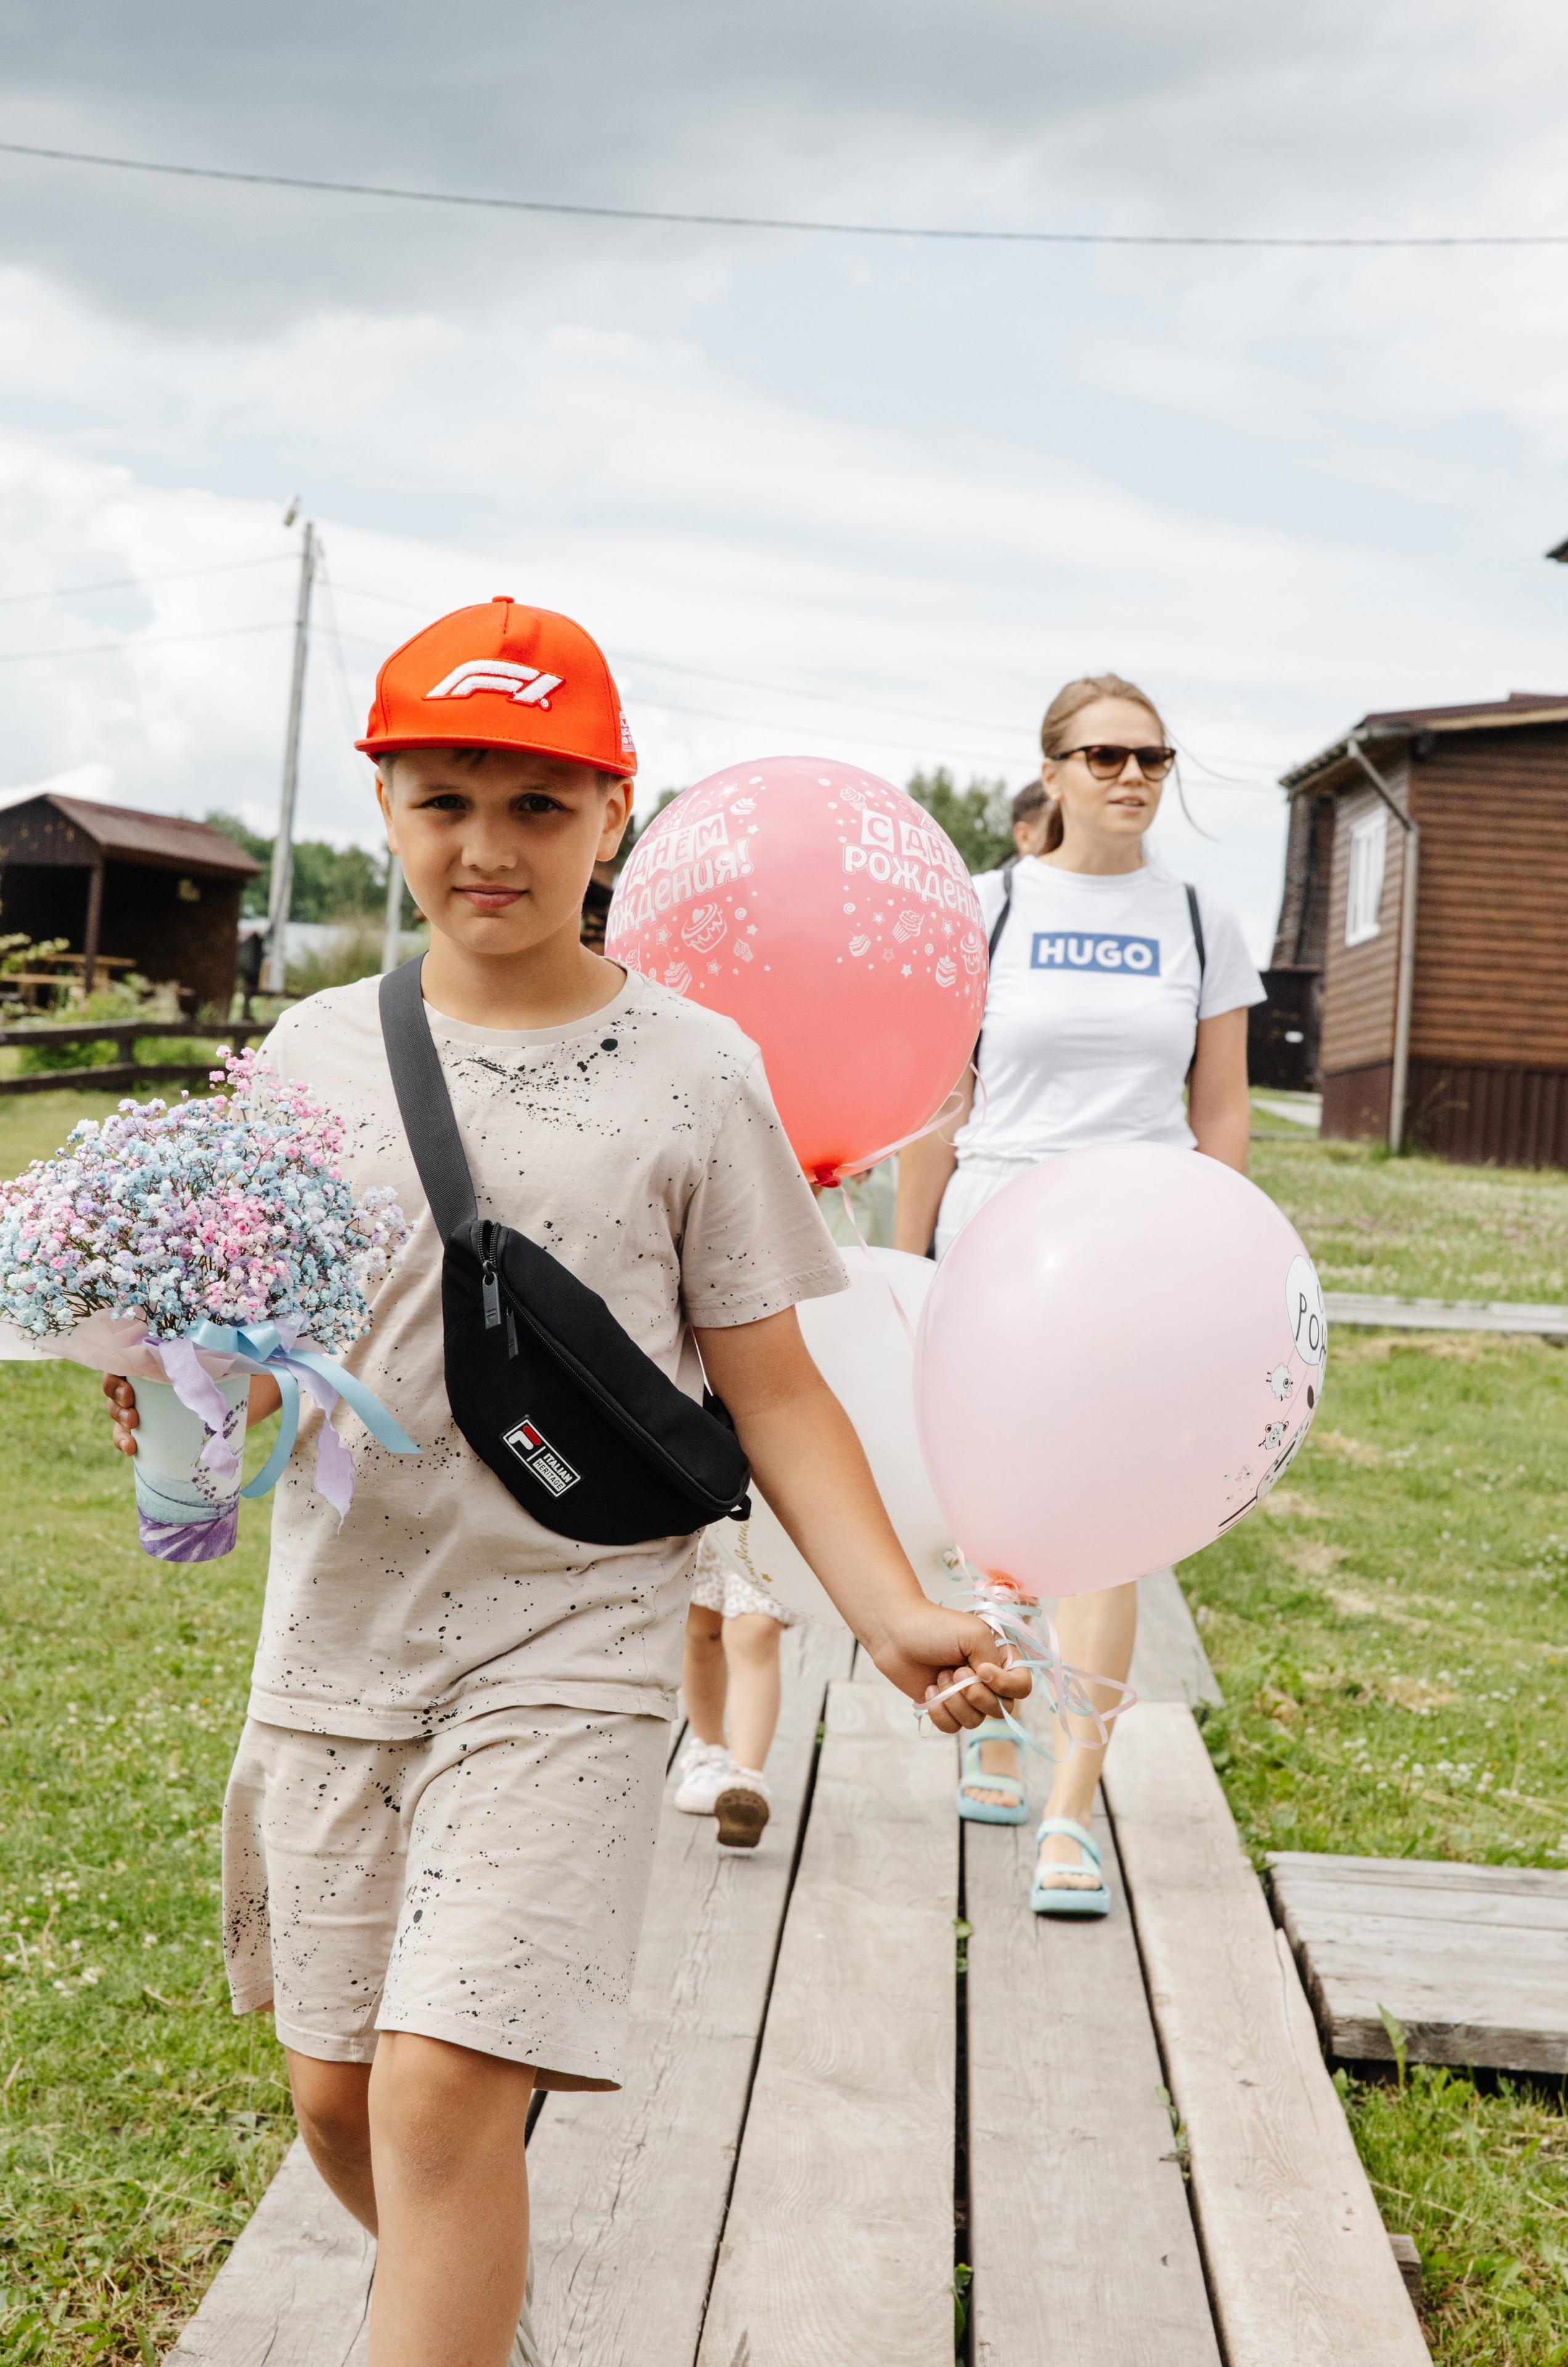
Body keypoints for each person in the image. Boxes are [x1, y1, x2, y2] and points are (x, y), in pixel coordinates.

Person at [103, 597, 1026, 2367]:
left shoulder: (695, 1073)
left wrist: (892, 1608)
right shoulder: (300, 1059)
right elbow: (240, 1351)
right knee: (340, 2101)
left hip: (574, 1643)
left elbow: (777, 1387)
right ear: (384, 803)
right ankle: (477, 2328)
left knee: (449, 2092)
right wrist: (167, 1396)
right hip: (339, 1642)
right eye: (446, 798)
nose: (489, 846)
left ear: (616, 815)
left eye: (539, 805)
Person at [895, 671, 1263, 1916]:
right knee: (991, 1521)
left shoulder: (1203, 921)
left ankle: (1071, 1806)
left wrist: (1225, 1265)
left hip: (1141, 1245)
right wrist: (911, 1269)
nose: (1130, 778)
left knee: (1109, 1526)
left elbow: (1219, 1115)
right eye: (1102, 756)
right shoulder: (984, 908)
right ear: (1048, 772)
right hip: (997, 1228)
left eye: (1151, 759)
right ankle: (993, 1716)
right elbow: (939, 1110)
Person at [672, 1527, 792, 1847]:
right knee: (701, 1630)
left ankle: (745, 1784)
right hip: (708, 1494)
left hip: (772, 1504)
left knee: (755, 1630)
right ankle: (710, 1751)